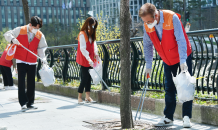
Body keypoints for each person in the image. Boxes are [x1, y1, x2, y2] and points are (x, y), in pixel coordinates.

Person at [139, 3, 192, 128]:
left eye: (148, 21)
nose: (146, 24)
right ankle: (168, 118)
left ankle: (186, 117)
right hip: (167, 59)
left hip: (181, 56)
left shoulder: (171, 17)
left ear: (156, 15)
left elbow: (180, 39)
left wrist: (183, 60)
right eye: (144, 22)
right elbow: (147, 45)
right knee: (169, 88)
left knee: (185, 86)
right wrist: (149, 65)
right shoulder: (147, 25)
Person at [4, 16, 48, 111]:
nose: (37, 30)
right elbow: (7, 34)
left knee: (31, 82)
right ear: (30, 25)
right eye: (35, 28)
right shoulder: (20, 30)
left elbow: (41, 49)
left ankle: (30, 103)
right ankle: (23, 103)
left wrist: (43, 59)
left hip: (32, 61)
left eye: (38, 28)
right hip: (21, 60)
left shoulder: (40, 35)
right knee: (21, 82)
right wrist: (13, 40)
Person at [76, 17, 98, 104]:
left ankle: (88, 97)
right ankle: (79, 97)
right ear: (88, 24)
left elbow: (94, 44)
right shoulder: (82, 34)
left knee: (89, 78)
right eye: (92, 25)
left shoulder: (91, 33)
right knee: (84, 78)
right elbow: (82, 48)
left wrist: (96, 55)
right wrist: (88, 58)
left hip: (90, 58)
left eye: (94, 26)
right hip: (84, 58)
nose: (93, 27)